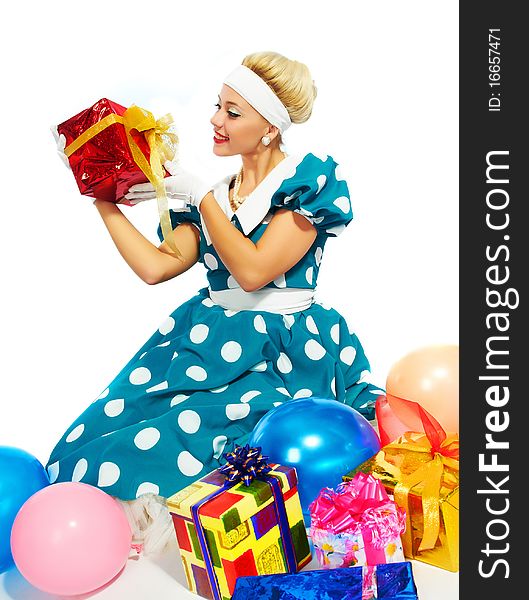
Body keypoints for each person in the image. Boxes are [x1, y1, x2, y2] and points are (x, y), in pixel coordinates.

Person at [47, 51, 385, 552]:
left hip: (282, 354)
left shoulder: (306, 184)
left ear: (269, 127)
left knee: (237, 442)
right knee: (91, 440)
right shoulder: (213, 193)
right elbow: (156, 267)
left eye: (232, 112)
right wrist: (102, 197)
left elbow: (252, 272)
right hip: (207, 345)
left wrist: (202, 196)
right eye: (217, 106)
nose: (215, 120)